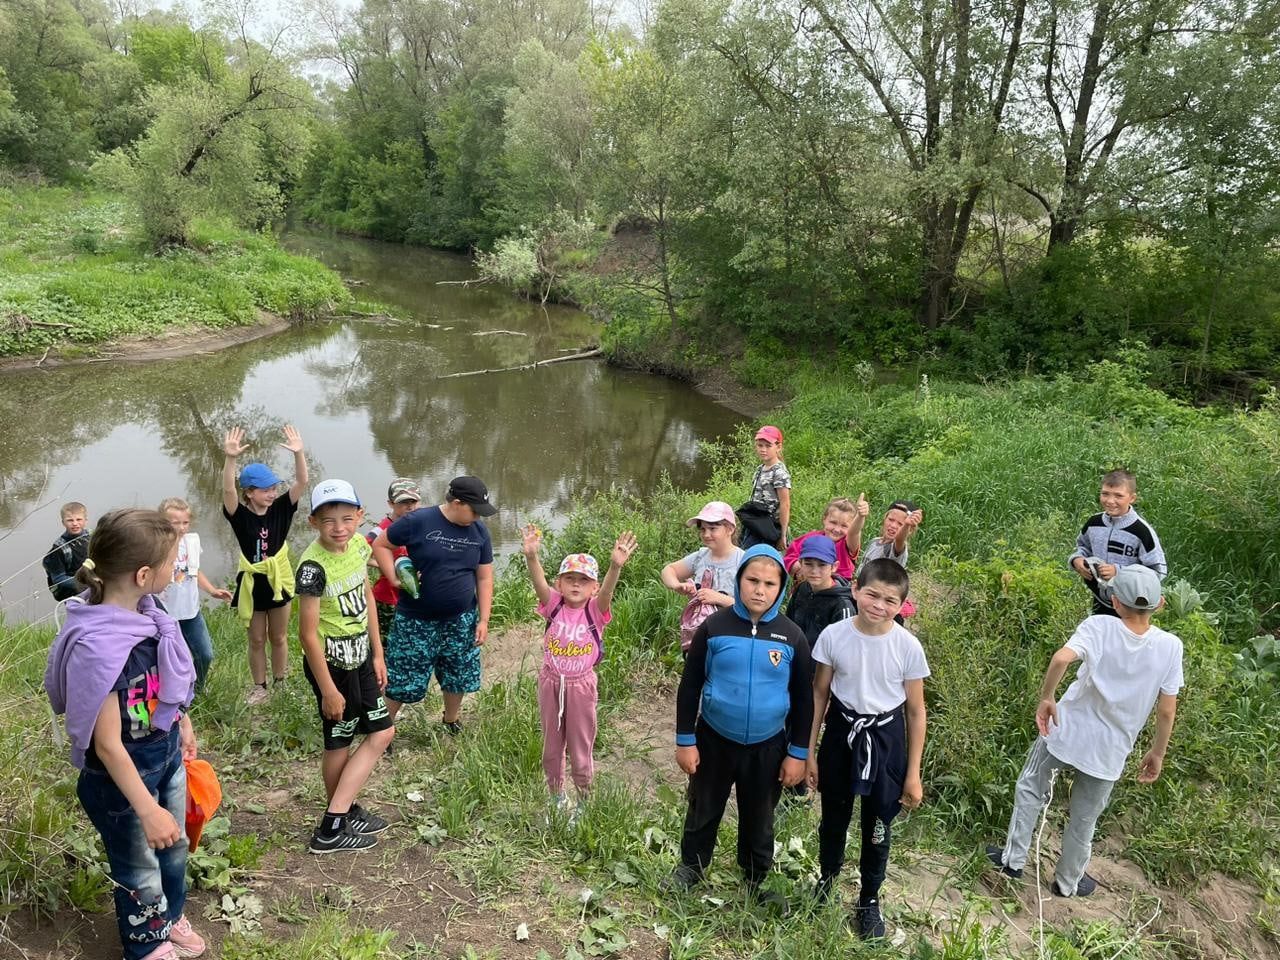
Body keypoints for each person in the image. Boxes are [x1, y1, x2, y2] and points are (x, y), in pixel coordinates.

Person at [44, 509, 207, 960]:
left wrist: (182, 720)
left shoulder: (148, 614)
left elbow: (162, 689)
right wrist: (148, 810)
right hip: (122, 783)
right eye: (171, 563)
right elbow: (108, 745)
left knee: (174, 850)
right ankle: (146, 944)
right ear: (141, 574)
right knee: (138, 868)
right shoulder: (100, 646)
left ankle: (170, 917)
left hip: (166, 756)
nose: (176, 570)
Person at [987, 565, 1182, 897]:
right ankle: (1067, 882)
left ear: (1115, 602)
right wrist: (1157, 751)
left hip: (1066, 729)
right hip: (1111, 747)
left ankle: (1013, 862)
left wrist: (1047, 698)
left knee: (1032, 788)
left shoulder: (1099, 626)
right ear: (1160, 604)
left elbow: (1062, 659)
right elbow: (1166, 709)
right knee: (1084, 817)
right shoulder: (1170, 646)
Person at [669, 545, 812, 911]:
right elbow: (690, 686)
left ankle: (756, 876)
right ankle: (692, 866)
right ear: (738, 579)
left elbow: (803, 700)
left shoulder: (792, 636)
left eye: (769, 583)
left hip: (768, 746)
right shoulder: (713, 628)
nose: (759, 590)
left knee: (759, 815)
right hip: (714, 739)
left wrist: (798, 753)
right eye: (752, 580)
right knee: (703, 807)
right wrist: (686, 740)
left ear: (781, 587)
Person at [807, 559, 928, 939]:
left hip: (886, 741)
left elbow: (915, 711)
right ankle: (826, 879)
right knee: (834, 815)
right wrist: (809, 750)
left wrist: (912, 773)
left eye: (890, 600)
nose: (879, 605)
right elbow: (819, 692)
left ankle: (869, 899)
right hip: (843, 733)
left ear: (901, 605)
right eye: (872, 594)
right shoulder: (834, 635)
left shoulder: (907, 646)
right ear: (856, 589)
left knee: (878, 823)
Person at [294, 479, 395, 854]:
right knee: (350, 736)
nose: (339, 528)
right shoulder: (311, 568)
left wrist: (378, 652)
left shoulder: (357, 545)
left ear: (360, 517)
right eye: (329, 521)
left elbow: (366, 594)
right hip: (333, 665)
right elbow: (307, 635)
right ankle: (331, 827)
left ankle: (344, 809)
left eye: (347, 518)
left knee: (369, 734)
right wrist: (328, 689)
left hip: (361, 656)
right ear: (313, 523)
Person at [521, 525, 637, 823]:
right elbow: (537, 581)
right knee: (551, 745)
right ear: (558, 583)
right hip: (550, 683)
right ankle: (556, 796)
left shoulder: (595, 611)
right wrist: (532, 557)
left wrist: (614, 566)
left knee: (580, 745)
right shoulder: (553, 606)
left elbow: (609, 590)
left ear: (593, 587)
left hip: (581, 687)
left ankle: (584, 799)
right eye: (569, 578)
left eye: (584, 580)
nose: (576, 584)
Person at [372, 476, 496, 735]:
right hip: (416, 618)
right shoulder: (418, 521)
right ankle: (384, 730)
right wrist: (393, 578)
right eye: (474, 510)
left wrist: (483, 619)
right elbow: (381, 544)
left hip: (461, 619)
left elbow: (484, 577)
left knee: (457, 672)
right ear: (457, 503)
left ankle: (451, 720)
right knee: (403, 676)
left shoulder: (479, 531)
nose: (477, 517)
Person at [220, 425, 308, 706]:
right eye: (266, 490)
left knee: (279, 636)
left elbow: (302, 482)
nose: (272, 494)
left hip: (278, 580)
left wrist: (299, 453)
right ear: (249, 493)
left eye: (274, 488)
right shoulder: (239, 515)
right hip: (253, 583)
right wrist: (230, 458)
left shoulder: (282, 508)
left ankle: (281, 682)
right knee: (257, 639)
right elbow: (227, 489)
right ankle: (260, 686)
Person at [1068, 468, 1167, 617]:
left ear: (1132, 498)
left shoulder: (1142, 532)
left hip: (1132, 607)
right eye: (1105, 493)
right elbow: (1083, 547)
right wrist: (1076, 559)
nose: (1110, 501)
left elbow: (1158, 571)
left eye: (1118, 496)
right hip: (1099, 600)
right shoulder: (1094, 523)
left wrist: (1119, 572)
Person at [158, 498, 233, 694]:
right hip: (165, 614)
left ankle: (196, 691)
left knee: (205, 654)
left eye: (185, 522)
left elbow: (194, 570)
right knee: (169, 660)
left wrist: (212, 590)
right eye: (175, 523)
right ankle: (169, 694)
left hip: (191, 611)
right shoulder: (155, 546)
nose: (182, 528)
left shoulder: (191, 542)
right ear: (163, 522)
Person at [660, 501, 744, 637]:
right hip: (699, 631)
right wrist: (677, 585)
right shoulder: (700, 557)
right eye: (703, 529)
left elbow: (751, 606)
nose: (706, 534)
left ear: (730, 529)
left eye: (712, 528)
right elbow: (668, 570)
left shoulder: (743, 561)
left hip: (732, 634)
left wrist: (719, 598)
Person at [367, 478, 422, 645]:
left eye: (413, 501)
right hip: (388, 599)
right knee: (386, 643)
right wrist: (383, 565)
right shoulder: (380, 531)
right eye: (403, 502)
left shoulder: (420, 525)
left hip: (414, 595)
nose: (410, 506)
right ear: (390, 503)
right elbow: (357, 554)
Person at [784, 536, 855, 647]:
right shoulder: (802, 588)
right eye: (808, 564)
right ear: (800, 564)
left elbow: (844, 649)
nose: (814, 571)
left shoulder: (842, 605)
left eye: (822, 565)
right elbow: (788, 625)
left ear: (834, 566)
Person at [783, 495, 870, 582]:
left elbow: (854, 532)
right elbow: (789, 558)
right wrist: (802, 568)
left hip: (836, 591)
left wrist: (860, 517)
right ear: (824, 519)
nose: (837, 529)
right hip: (805, 588)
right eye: (833, 522)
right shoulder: (810, 538)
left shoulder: (847, 544)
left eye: (844, 526)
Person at [738, 426, 791, 550]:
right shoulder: (760, 469)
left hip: (768, 526)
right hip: (755, 522)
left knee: (756, 558)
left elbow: (785, 504)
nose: (763, 450)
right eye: (760, 445)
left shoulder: (779, 472)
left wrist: (783, 535)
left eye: (768, 446)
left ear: (778, 447)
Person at [855, 499, 922, 574]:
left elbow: (899, 540)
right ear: (884, 519)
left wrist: (906, 525)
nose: (893, 526)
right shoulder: (874, 541)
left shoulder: (896, 549)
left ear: (909, 531)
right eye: (891, 519)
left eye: (900, 524)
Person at [44, 501, 91, 602]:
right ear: (63, 522)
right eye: (70, 520)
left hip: (93, 587)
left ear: (85, 520)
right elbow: (58, 579)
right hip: (73, 594)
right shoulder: (58, 549)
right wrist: (87, 582)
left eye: (79, 519)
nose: (75, 523)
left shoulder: (91, 537)